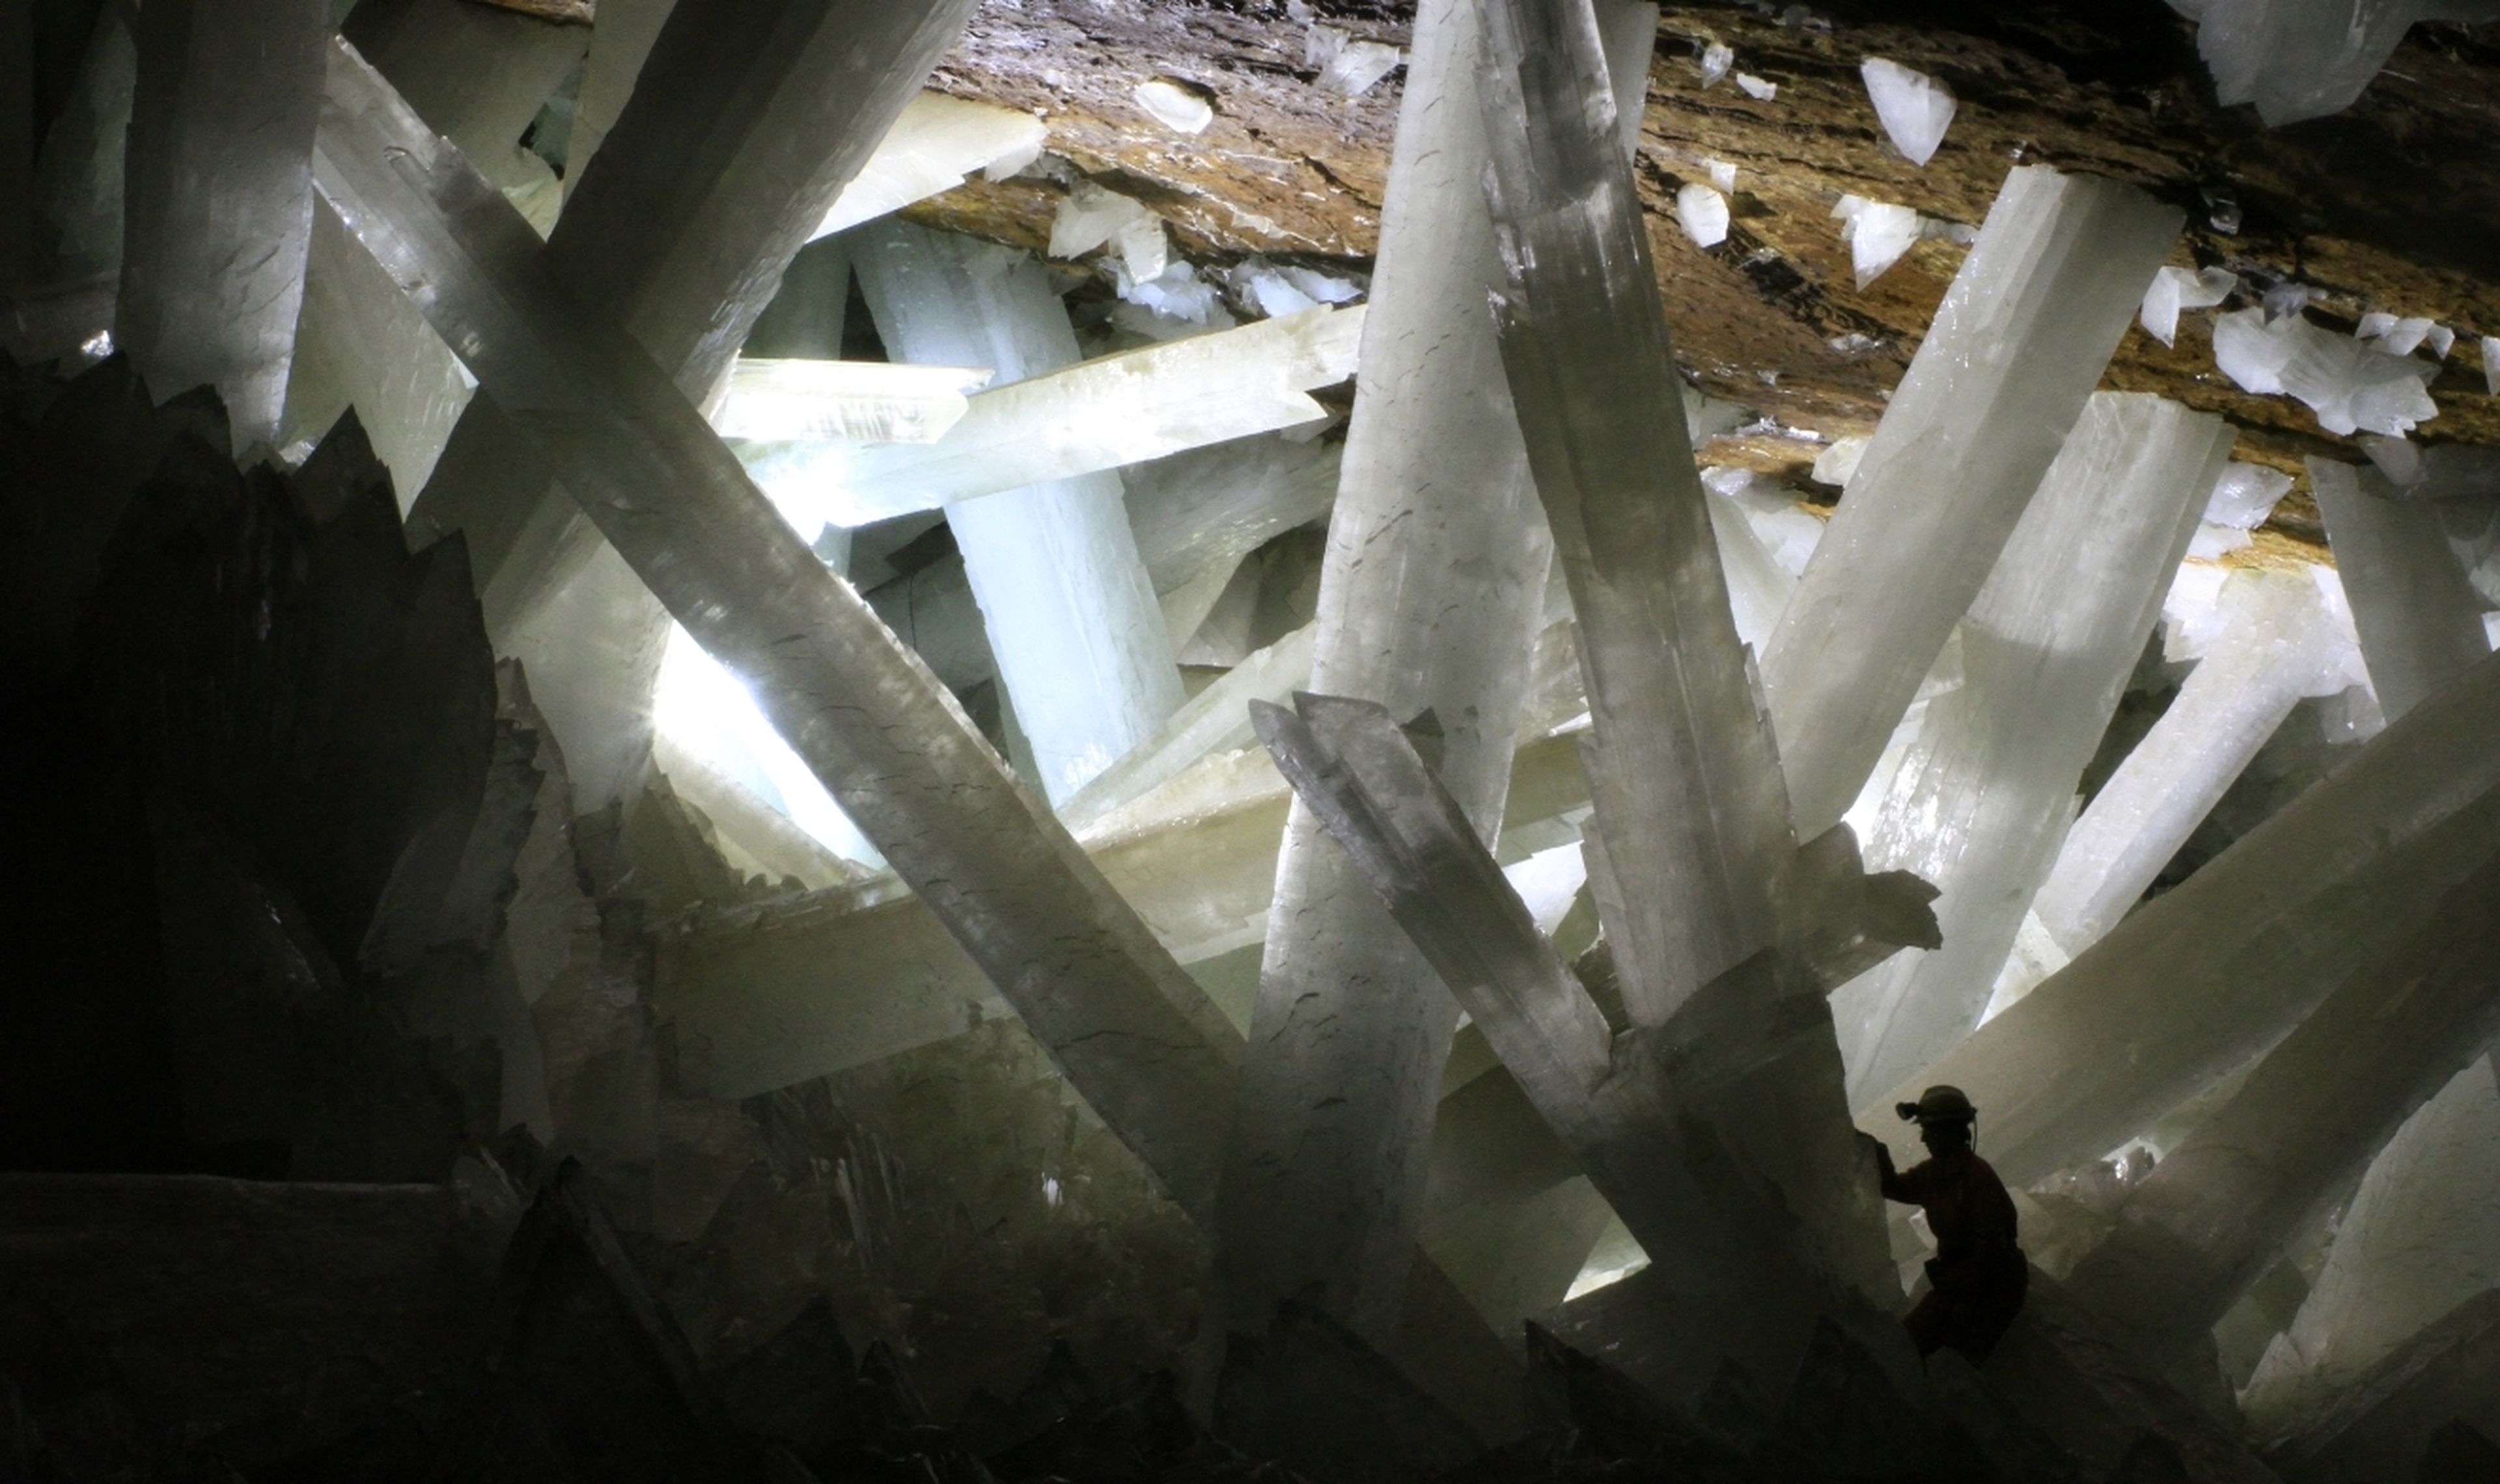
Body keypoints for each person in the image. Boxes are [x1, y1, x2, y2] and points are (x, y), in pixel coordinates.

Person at [1863, 1085, 2028, 1363]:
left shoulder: (1977, 1179)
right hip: (1961, 1281)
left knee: (1940, 1355)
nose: (1924, 1138)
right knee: (1913, 1345)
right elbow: (1895, 1187)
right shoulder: (1936, 1173)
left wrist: (1965, 1301)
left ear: (1949, 1132)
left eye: (1929, 1130)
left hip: (1993, 1284)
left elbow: (1990, 1250)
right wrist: (1873, 1152)